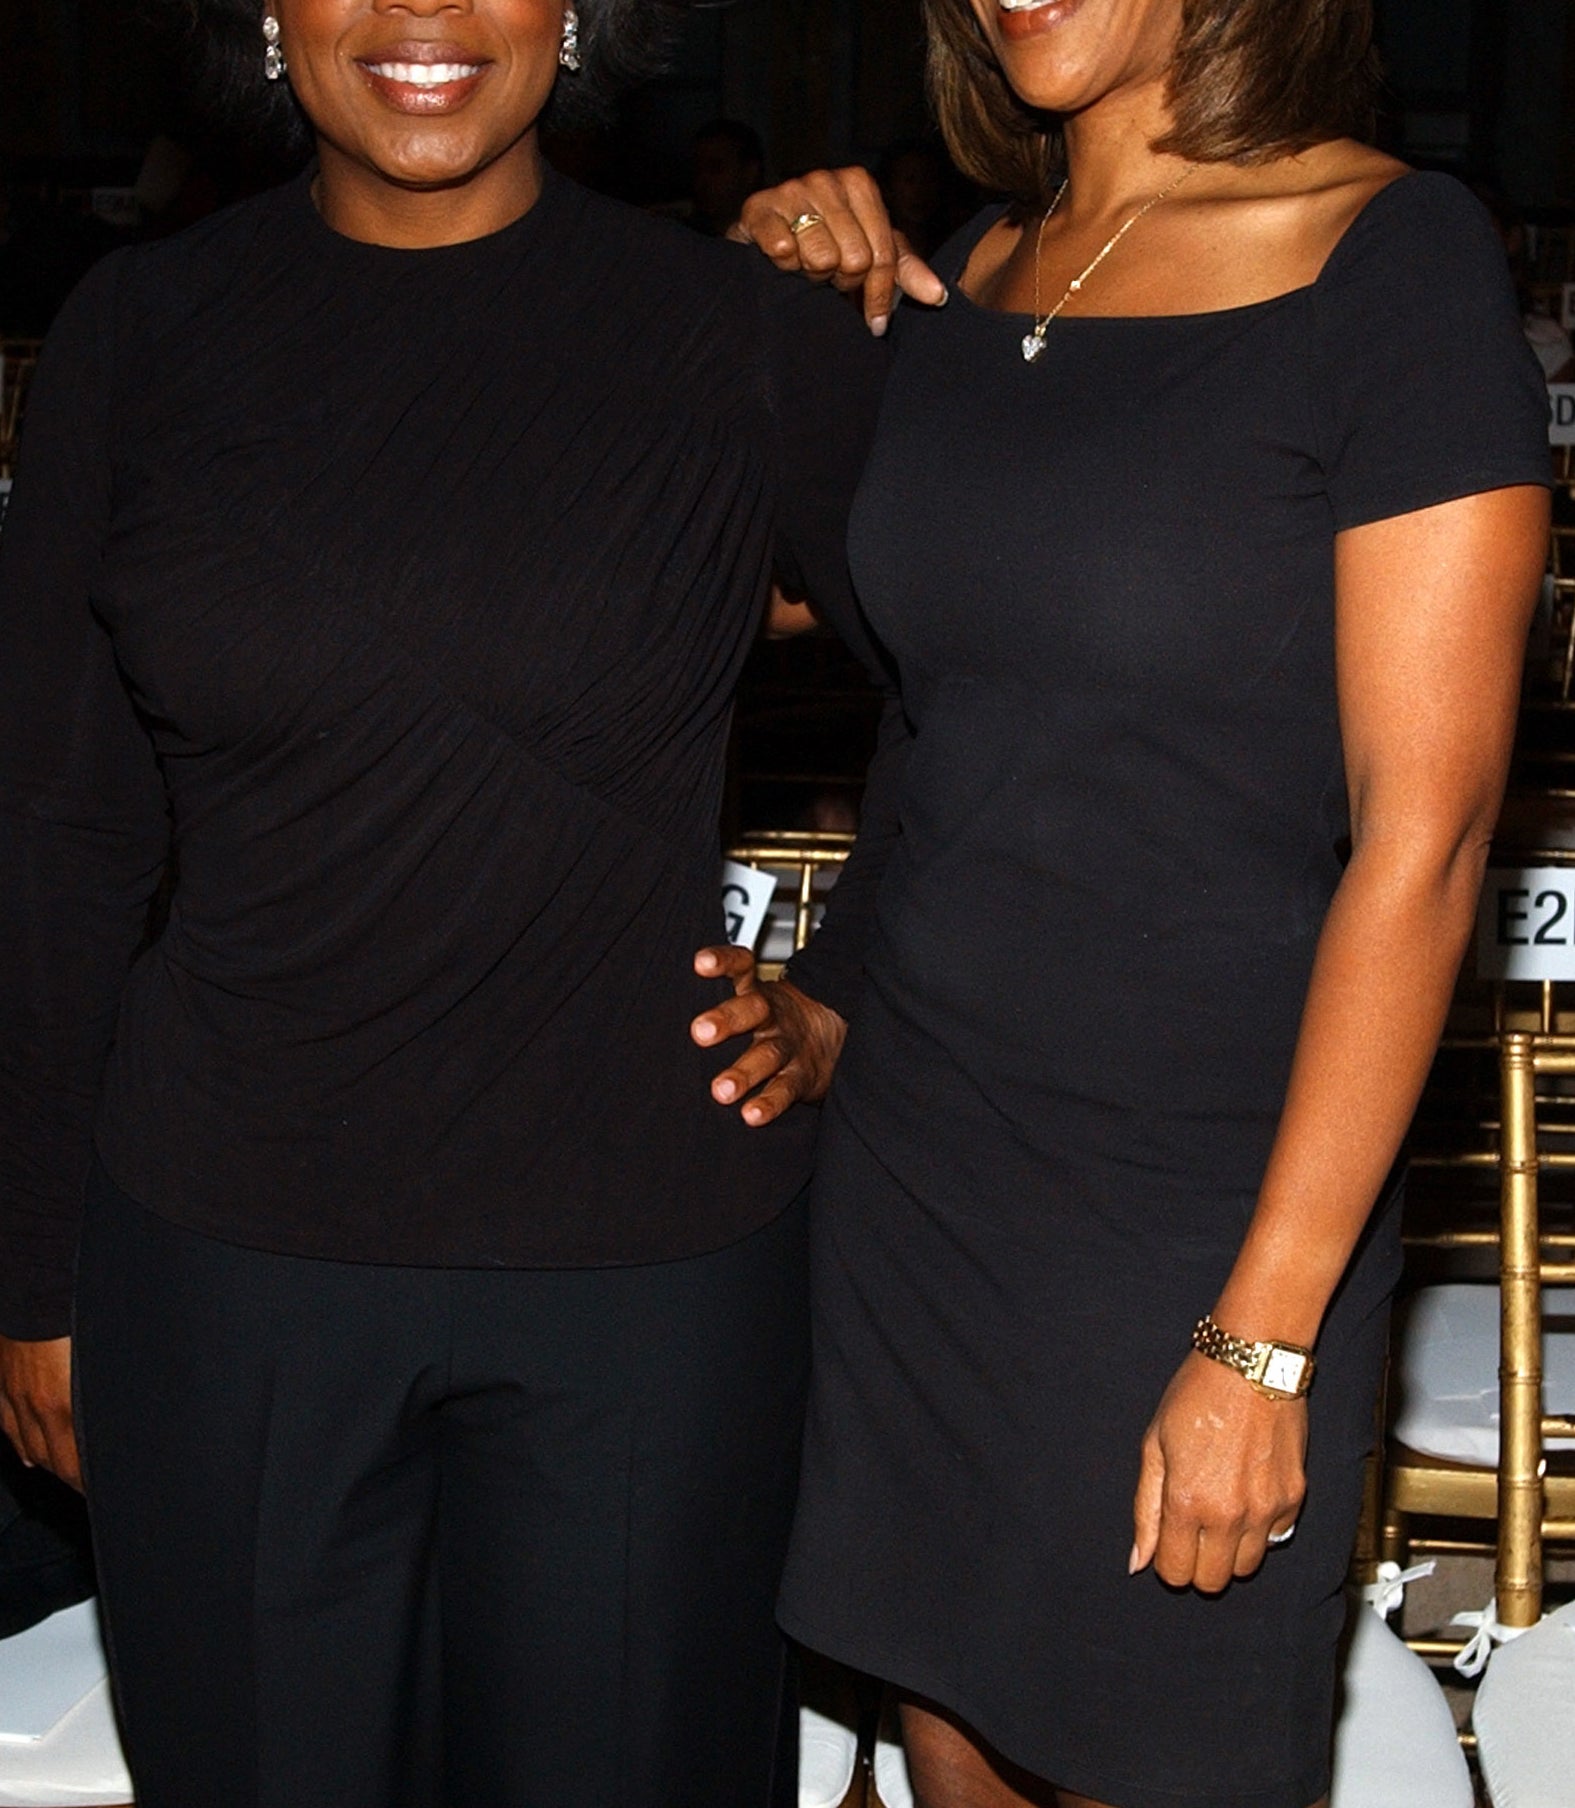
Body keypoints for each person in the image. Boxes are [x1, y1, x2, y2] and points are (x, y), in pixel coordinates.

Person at [0, 2, 882, 1803]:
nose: (423, 16)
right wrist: (25, 1275)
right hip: (225, 1267)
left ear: (579, 17)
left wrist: (850, 983)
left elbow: (1005, 696)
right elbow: (53, 832)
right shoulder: (138, 335)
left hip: (647, 1281)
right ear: (264, 14)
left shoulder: (740, 330)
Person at [693, 1, 1553, 1804]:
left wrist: (1264, 1332)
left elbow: (1432, 841)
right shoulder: (971, 267)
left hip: (1205, 1207)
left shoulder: (1389, 260)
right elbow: (937, 728)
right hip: (922, 1189)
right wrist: (761, 291)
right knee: (956, 1755)